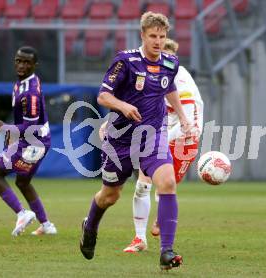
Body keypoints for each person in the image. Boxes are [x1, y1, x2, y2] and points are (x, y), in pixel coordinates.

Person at [79, 12, 190, 270]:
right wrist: (123, 106)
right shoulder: (125, 61)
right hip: (121, 140)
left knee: (167, 182)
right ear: (142, 35)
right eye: (153, 36)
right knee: (110, 195)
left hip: (153, 136)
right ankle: (90, 226)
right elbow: (103, 97)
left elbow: (169, 88)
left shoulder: (170, 62)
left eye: (162, 37)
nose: (158, 42)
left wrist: (183, 117)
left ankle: (166, 252)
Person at [122, 38, 204, 253]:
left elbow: (187, 119)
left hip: (184, 137)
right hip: (160, 133)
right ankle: (139, 238)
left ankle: (162, 231)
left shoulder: (181, 79)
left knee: (165, 188)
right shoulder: (149, 76)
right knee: (143, 183)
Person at [0, 46, 57, 236]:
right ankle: (47, 225)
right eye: (19, 61)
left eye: (27, 62)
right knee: (23, 182)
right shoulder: (24, 82)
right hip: (35, 141)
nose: (22, 65)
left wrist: (6, 128)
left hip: (34, 142)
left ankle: (22, 213)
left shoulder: (30, 92)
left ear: (35, 65)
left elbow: (30, 127)